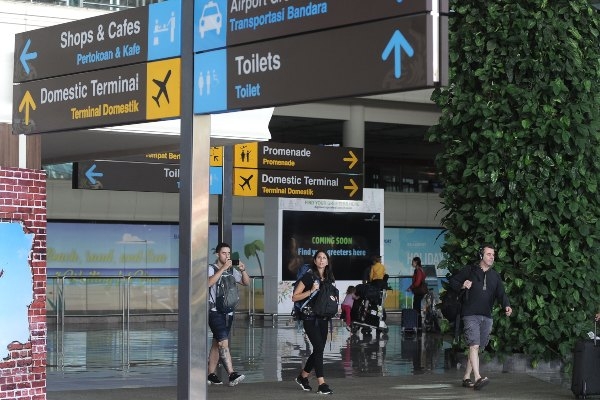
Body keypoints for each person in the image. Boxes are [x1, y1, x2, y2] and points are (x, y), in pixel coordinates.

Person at [450, 244, 512, 391]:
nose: (492, 257)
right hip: (470, 313)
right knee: (474, 345)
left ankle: (466, 377)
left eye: (493, 255)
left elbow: (501, 293)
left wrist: (506, 305)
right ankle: (477, 377)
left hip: (487, 316)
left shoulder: (495, 276)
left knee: (477, 348)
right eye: (489, 254)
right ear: (481, 256)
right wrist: (462, 285)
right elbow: (453, 281)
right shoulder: (469, 271)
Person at [207, 242, 250, 386]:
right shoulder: (211, 268)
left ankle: (210, 374)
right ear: (217, 254)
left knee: (216, 343)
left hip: (228, 312)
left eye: (229, 253)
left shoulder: (232, 270)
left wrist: (243, 270)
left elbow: (246, 283)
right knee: (223, 342)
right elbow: (208, 283)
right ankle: (231, 374)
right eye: (224, 253)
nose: (227, 256)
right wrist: (223, 269)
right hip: (214, 312)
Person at [292, 249, 335, 395]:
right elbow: (295, 297)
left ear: (327, 261)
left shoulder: (330, 278)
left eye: (324, 258)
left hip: (323, 318)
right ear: (315, 260)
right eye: (319, 257)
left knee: (318, 349)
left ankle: (302, 377)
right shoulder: (308, 277)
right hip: (310, 318)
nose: (322, 260)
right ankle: (321, 383)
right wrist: (311, 290)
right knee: (319, 348)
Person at [407, 256, 427, 328]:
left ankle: (418, 325)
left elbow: (417, 282)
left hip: (419, 291)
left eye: (413, 262)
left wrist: (410, 287)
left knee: (416, 308)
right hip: (420, 291)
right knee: (417, 307)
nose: (412, 263)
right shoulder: (421, 270)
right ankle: (418, 324)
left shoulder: (418, 270)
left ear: (416, 262)